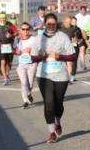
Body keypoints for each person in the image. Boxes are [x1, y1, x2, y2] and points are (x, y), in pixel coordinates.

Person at [31, 13, 76, 142]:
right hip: (44, 75)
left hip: (61, 75)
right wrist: (40, 56)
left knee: (58, 104)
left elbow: (73, 56)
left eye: (53, 24)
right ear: (44, 24)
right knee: (49, 103)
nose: (51, 26)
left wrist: (60, 57)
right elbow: (33, 58)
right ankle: (51, 132)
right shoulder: (38, 38)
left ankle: (57, 121)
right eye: (48, 24)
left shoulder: (63, 37)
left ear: (57, 24)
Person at [14, 21, 38, 108]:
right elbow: (14, 50)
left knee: (30, 84)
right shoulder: (17, 39)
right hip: (21, 64)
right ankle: (25, 101)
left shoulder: (33, 39)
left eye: (27, 29)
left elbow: (38, 49)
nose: (25, 31)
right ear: (20, 30)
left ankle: (29, 93)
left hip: (32, 64)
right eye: (23, 29)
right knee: (24, 82)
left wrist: (31, 49)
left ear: (29, 30)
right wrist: (17, 51)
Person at [0, 12, 16, 85]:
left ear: (6, 18)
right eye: (1, 18)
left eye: (4, 18)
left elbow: (16, 33)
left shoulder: (10, 24)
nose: (3, 19)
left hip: (9, 45)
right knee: (3, 61)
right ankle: (5, 78)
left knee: (9, 62)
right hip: (0, 46)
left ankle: (7, 74)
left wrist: (11, 35)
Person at [61, 15, 83, 82]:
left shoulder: (76, 29)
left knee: (72, 62)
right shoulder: (61, 28)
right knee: (65, 63)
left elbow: (81, 38)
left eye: (69, 21)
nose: (68, 23)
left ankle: (71, 76)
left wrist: (77, 40)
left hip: (74, 47)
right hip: (64, 48)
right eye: (67, 21)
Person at [74, 5, 90, 70]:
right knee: (82, 48)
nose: (83, 11)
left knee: (84, 50)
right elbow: (74, 24)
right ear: (80, 10)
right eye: (82, 10)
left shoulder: (88, 16)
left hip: (87, 34)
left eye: (84, 10)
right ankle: (83, 64)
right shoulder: (76, 16)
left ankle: (82, 61)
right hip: (79, 34)